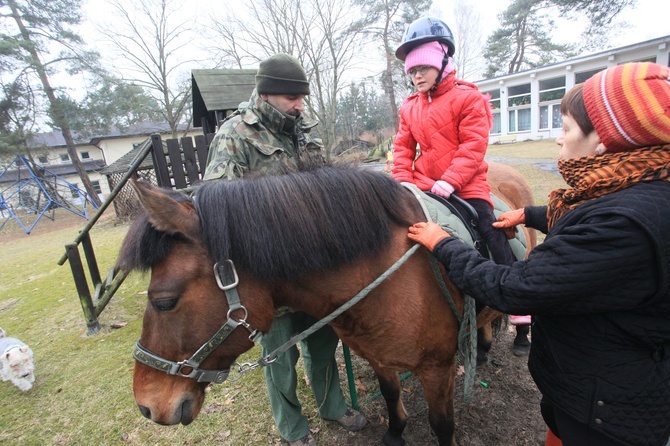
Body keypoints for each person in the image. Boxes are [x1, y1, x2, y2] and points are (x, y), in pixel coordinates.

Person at [407, 61, 670, 446]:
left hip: (604, 411)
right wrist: (531, 214)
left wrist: (444, 243)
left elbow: (516, 287)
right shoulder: (642, 188)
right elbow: (591, 222)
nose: (559, 140)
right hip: (596, 389)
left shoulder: (623, 224)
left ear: (605, 139)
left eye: (565, 129)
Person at [203, 53, 366, 446]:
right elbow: (218, 211)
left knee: (324, 341)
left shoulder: (305, 127)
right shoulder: (234, 135)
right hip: (268, 276)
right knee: (279, 359)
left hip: (316, 269)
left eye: (302, 96)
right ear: (267, 93)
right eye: (293, 97)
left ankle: (332, 406)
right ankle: (293, 429)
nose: (301, 104)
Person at [392, 16, 531, 358]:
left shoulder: (469, 98)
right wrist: (400, 182)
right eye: (412, 71)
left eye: (423, 67)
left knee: (492, 228)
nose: (417, 76)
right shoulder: (409, 107)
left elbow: (473, 147)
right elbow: (402, 148)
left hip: (466, 185)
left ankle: (515, 298)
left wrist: (449, 181)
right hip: (424, 185)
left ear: (442, 61)